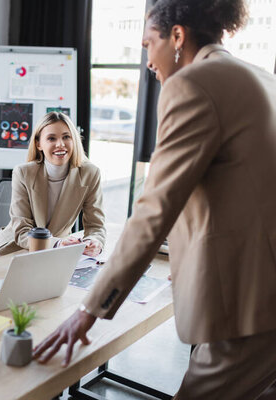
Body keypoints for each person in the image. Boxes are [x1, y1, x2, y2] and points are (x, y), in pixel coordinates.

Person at [33, 1, 276, 398]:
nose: (147, 60)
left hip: (250, 307)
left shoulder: (195, 83)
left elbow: (154, 209)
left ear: (177, 37)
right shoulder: (262, 78)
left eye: (149, 44)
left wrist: (89, 310)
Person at [0, 111, 106, 262]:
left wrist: (94, 242)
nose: (60, 144)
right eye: (51, 138)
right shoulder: (23, 173)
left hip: (55, 253)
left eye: (66, 137)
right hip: (15, 248)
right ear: (38, 144)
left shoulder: (90, 173)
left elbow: (95, 225)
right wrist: (57, 243)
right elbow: (22, 230)